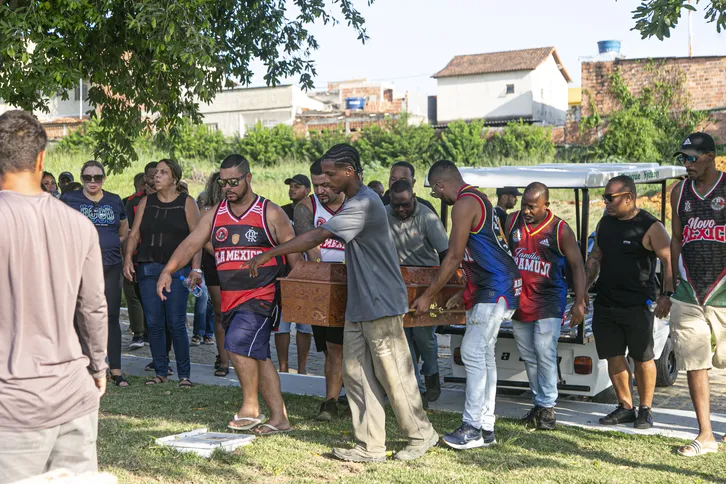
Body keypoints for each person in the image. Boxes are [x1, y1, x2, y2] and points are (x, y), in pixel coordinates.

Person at [248, 144, 437, 462]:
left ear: (348, 172)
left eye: (331, 175)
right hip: (360, 302)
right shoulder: (353, 201)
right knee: (356, 374)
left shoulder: (362, 203)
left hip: (381, 302)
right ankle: (369, 445)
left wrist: (269, 252)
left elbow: (315, 237)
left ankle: (421, 435)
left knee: (393, 373)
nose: (326, 181)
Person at [0, 110, 108, 482]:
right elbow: (94, 307)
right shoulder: (79, 224)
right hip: (73, 393)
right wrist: (98, 367)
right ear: (41, 159)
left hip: (12, 404)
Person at [159, 154, 299, 435]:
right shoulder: (215, 214)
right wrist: (168, 270)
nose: (228, 188)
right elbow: (191, 243)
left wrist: (299, 288)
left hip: (262, 294)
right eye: (223, 183)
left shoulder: (269, 212)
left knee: (236, 342)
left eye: (234, 181)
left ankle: (250, 406)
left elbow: (294, 250)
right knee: (258, 355)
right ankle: (280, 417)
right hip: (230, 296)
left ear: (248, 178)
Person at [411, 159, 521, 450]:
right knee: (484, 355)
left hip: (495, 286)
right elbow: (483, 250)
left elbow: (453, 256)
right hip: (495, 284)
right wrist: (464, 291)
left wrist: (428, 295)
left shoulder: (464, 203)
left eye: (436, 193)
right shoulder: (480, 199)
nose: (438, 198)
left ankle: (472, 426)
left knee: (473, 351)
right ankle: (485, 427)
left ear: (439, 185)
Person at [585, 175, 673, 430]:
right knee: (613, 355)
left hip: (638, 304)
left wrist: (666, 295)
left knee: (643, 357)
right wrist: (583, 290)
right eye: (605, 198)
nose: (606, 203)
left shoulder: (650, 226)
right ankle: (625, 407)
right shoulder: (605, 223)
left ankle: (645, 409)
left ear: (629, 197)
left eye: (610, 198)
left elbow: (668, 261)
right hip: (606, 302)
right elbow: (596, 257)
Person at [505, 182, 586, 430]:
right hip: (520, 300)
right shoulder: (511, 222)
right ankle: (539, 403)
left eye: (532, 207)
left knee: (544, 351)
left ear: (546, 205)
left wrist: (580, 301)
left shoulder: (560, 229)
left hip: (549, 299)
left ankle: (549, 407)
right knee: (529, 355)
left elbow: (577, 266)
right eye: (524, 205)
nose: (527, 211)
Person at [669, 132, 726, 456]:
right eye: (683, 158)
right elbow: (676, 239)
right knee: (694, 361)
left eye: (692, 158)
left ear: (710, 157)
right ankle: (705, 435)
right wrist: (671, 284)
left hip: (723, 291)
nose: (687, 164)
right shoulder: (679, 193)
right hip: (689, 291)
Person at [124, 159, 202, 388]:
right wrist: (128, 258)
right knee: (154, 322)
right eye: (156, 172)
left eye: (163, 172)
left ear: (174, 178)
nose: (156, 176)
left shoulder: (186, 203)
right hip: (148, 268)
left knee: (176, 322)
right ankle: (160, 371)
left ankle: (184, 375)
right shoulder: (146, 202)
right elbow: (134, 234)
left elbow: (196, 239)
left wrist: (196, 269)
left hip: (177, 271)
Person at [62, 160, 130, 388]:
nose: (93, 182)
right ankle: (82, 368)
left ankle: (116, 369)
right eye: (88, 177)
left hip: (111, 266)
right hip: (79, 268)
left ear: (104, 178)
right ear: (81, 178)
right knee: (79, 316)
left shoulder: (114, 201)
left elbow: (123, 231)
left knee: (110, 317)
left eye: (97, 177)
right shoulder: (70, 200)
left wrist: (107, 245)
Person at [293, 158, 347, 421]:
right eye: (316, 186)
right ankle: (338, 394)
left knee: (338, 349)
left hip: (352, 286)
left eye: (326, 185)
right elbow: (311, 250)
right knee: (330, 349)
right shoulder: (306, 208)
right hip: (322, 288)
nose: (321, 191)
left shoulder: (356, 205)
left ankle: (331, 403)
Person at [387, 179, 449, 404]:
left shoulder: (427, 217)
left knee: (425, 337)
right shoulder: (383, 216)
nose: (401, 209)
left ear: (413, 198)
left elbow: (446, 253)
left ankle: (431, 375)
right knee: (402, 338)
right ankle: (414, 385)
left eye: (405, 204)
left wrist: (441, 290)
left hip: (426, 283)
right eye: (396, 206)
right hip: (396, 283)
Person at [276, 173, 314, 374]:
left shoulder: (313, 212)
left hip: (307, 276)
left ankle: (302, 368)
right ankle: (282, 366)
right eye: (290, 186)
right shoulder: (281, 212)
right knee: (282, 325)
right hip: (284, 275)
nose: (292, 189)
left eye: (297, 186)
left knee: (305, 326)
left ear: (307, 190)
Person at [124, 162, 162, 354]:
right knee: (140, 295)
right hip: (140, 257)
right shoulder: (133, 202)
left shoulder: (171, 200)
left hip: (163, 258)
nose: (155, 179)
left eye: (159, 175)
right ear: (145, 178)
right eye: (151, 175)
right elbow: (129, 232)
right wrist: (128, 258)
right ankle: (141, 332)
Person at [198, 172, 230, 377]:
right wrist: (220, 254)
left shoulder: (241, 205)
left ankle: (235, 354)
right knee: (220, 312)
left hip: (238, 262)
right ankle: (223, 359)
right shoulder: (205, 204)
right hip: (215, 261)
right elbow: (203, 236)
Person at [190, 190, 216, 347]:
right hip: (201, 264)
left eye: (208, 205)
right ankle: (198, 333)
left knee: (212, 300)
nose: (205, 209)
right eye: (203, 205)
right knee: (202, 296)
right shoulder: (197, 223)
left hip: (214, 264)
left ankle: (208, 332)